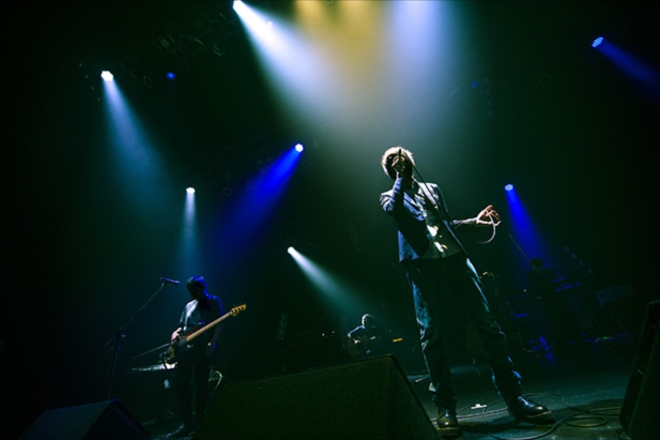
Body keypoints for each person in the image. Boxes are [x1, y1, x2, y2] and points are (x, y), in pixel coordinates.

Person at [379, 147, 553, 438]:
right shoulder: (389, 195)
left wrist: (474, 222)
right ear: (390, 170)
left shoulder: (432, 188)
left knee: (488, 325)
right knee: (432, 334)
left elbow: (443, 224)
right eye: (394, 161)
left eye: (403, 158)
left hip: (455, 257)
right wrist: (399, 179)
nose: (401, 161)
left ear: (412, 161)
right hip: (422, 264)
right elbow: (394, 211)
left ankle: (514, 397)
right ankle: (445, 407)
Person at [168, 275, 224, 438]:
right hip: (186, 349)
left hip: (202, 347)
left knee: (201, 385)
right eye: (191, 292)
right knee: (181, 384)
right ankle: (187, 422)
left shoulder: (213, 301)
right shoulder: (188, 305)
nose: (194, 294)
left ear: (203, 288)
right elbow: (181, 327)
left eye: (196, 291)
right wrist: (174, 335)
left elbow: (219, 323)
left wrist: (213, 343)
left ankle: (200, 420)